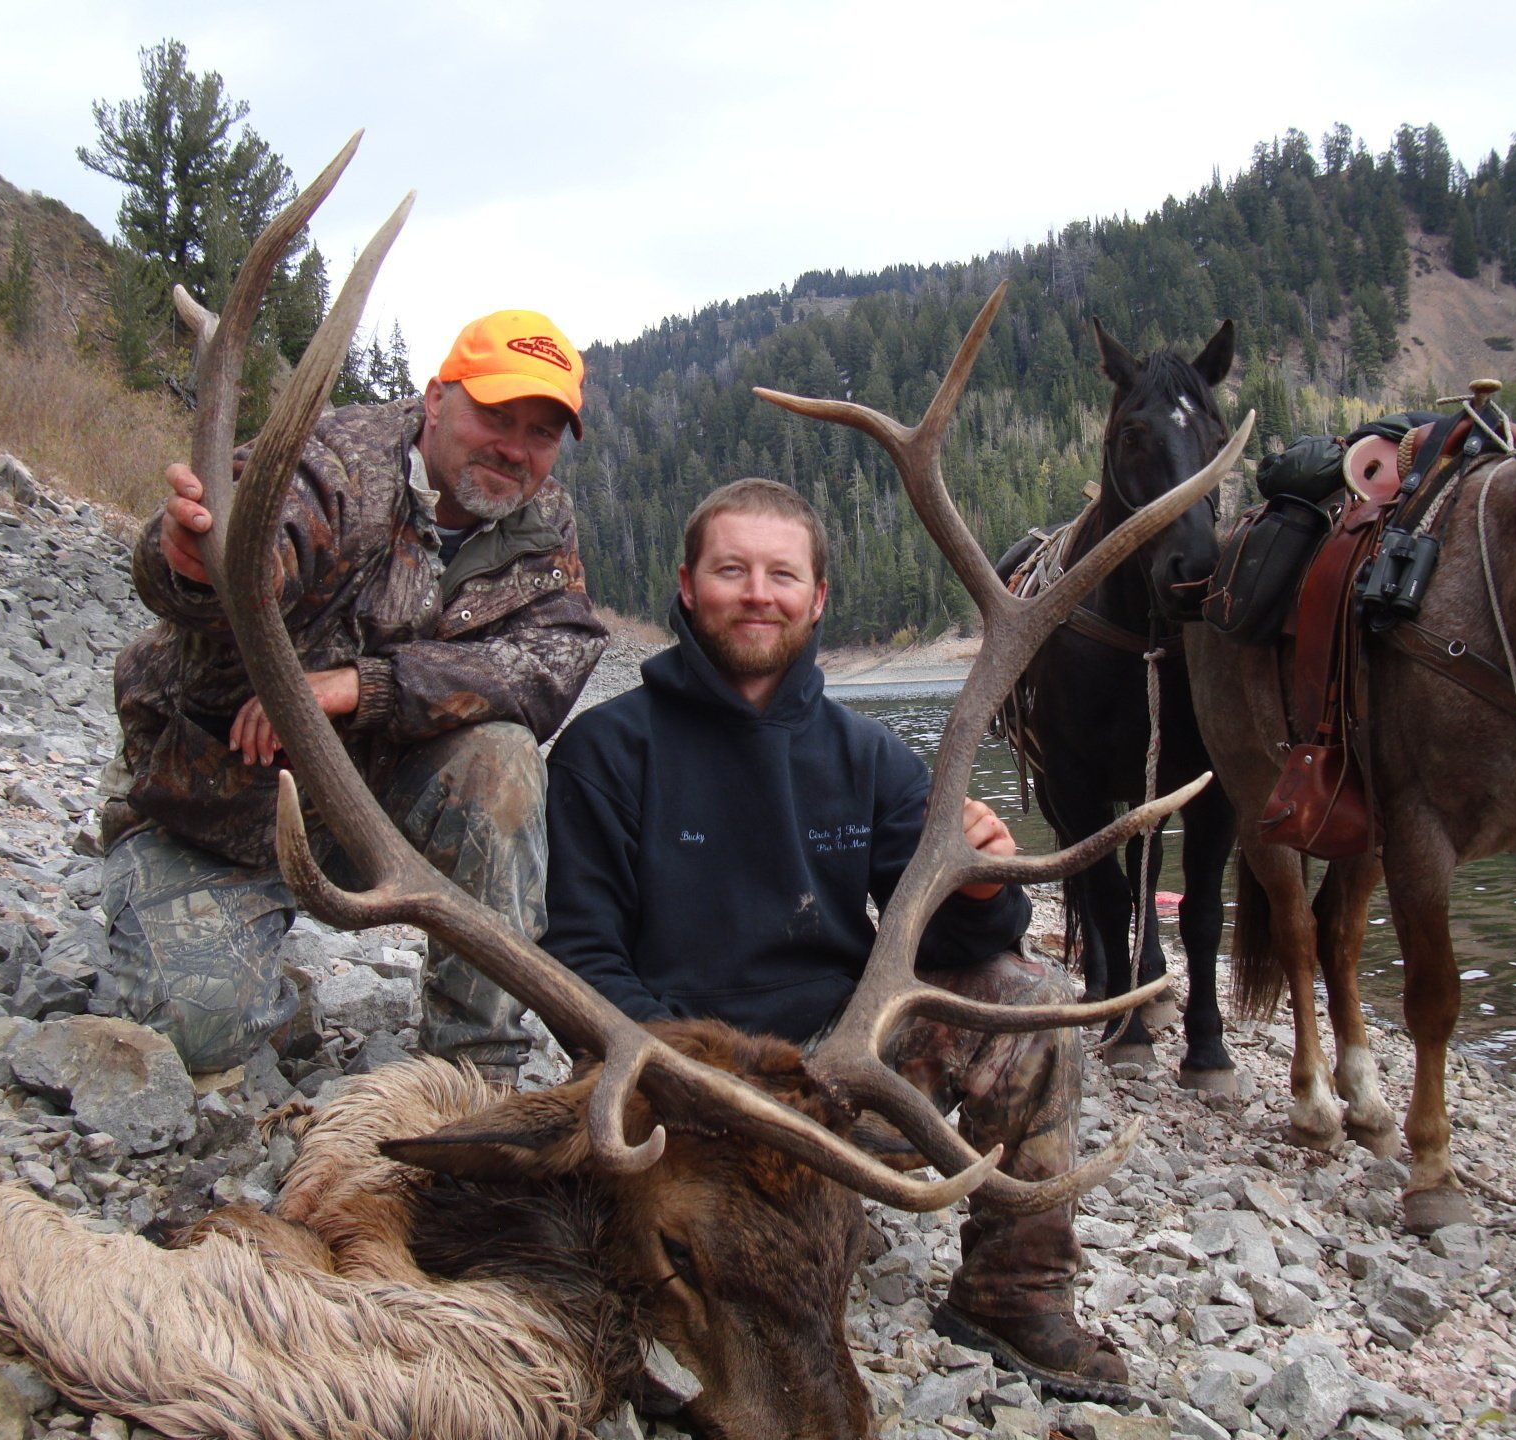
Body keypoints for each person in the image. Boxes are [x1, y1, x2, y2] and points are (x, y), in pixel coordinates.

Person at [540, 478, 1131, 1401]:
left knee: (1034, 996)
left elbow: (957, 938)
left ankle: (1013, 1293)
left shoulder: (870, 757)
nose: (757, 593)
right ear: (689, 586)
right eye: (731, 569)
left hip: (837, 1075)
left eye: (783, 574)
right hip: (678, 1088)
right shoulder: (606, 752)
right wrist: (691, 1074)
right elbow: (582, 956)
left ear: (818, 600)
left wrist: (981, 882)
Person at [99, 310, 606, 1085]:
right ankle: (225, 935)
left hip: (372, 803)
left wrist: (361, 688)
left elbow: (545, 666)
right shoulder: (328, 461)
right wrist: (196, 560)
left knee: (501, 761)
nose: (515, 447)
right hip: (213, 803)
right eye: (496, 416)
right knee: (192, 1036)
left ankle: (475, 1070)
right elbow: (238, 546)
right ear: (437, 399)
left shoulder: (541, 524)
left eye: (541, 432)